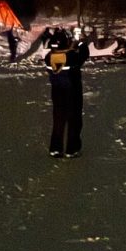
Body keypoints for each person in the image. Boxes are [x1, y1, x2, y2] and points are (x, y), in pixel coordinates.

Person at [44, 27, 89, 158]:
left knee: (58, 121)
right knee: (74, 120)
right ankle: (72, 149)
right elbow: (84, 54)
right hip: (72, 91)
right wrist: (80, 42)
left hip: (57, 92)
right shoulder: (71, 57)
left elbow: (63, 54)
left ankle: (55, 148)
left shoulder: (48, 57)